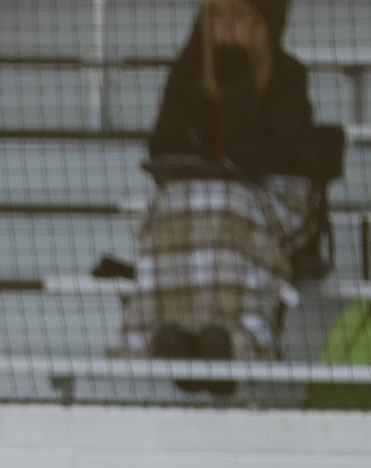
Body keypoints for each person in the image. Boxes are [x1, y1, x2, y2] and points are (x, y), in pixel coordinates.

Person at [117, 0, 316, 394]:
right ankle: (175, 335)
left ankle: (232, 343)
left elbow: (262, 159)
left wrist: (238, 85)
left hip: (270, 198)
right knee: (173, 205)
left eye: (238, 17)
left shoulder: (288, 77)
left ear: (262, 25)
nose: (226, 29)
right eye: (217, 18)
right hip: (204, 197)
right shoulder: (187, 73)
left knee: (228, 205)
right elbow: (162, 146)